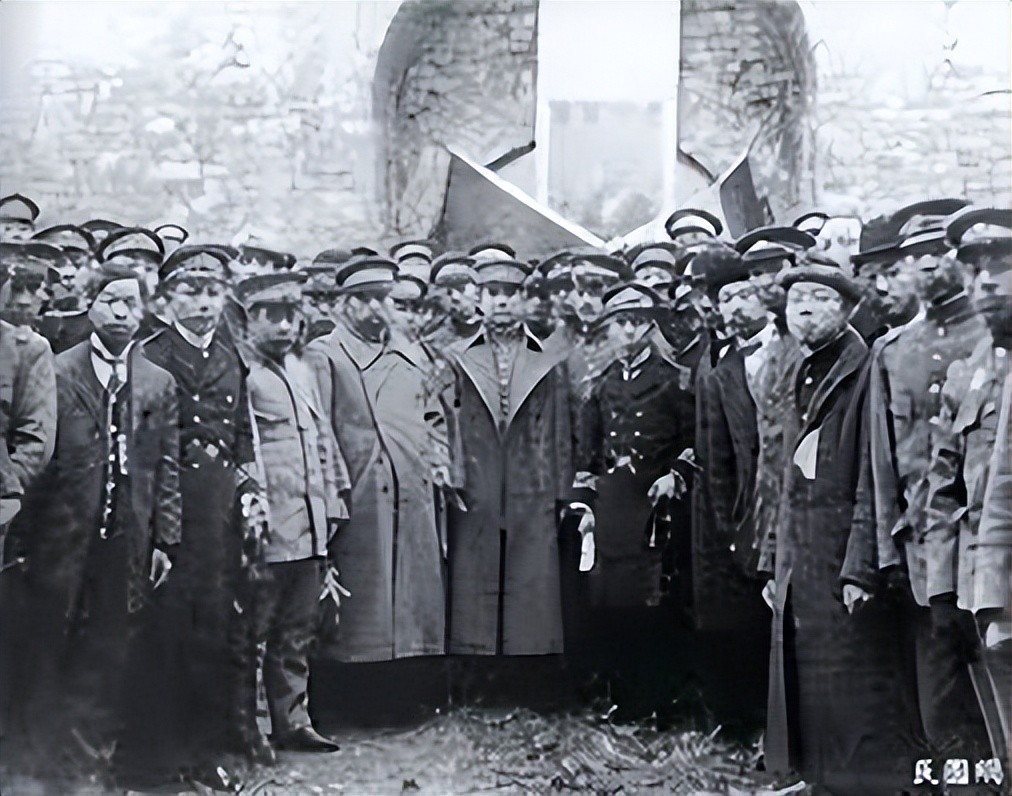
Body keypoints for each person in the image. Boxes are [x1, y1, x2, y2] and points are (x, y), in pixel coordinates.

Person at [4, 262, 180, 783]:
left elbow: (166, 465)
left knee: (109, 651)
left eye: (131, 303)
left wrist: (165, 538)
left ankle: (92, 765)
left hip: (125, 541)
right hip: (61, 538)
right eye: (110, 301)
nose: (121, 313)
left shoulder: (158, 382)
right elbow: (36, 454)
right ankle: (42, 767)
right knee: (50, 647)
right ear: (89, 305)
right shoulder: (57, 371)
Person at [763, 265, 913, 795]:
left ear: (848, 309)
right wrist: (774, 559)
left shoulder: (864, 369)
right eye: (796, 298)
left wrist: (859, 567)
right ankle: (819, 780)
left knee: (854, 677)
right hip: (803, 551)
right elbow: (781, 475)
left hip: (841, 547)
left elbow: (873, 474)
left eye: (819, 297)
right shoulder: (797, 369)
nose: (805, 307)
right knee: (812, 676)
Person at [139, 245, 266, 789]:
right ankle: (158, 758)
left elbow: (241, 436)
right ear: (168, 298)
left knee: (214, 629)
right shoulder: (150, 356)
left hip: (217, 512)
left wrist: (250, 491)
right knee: (165, 632)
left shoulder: (231, 357)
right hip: (164, 510)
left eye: (213, 292)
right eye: (191, 292)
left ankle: (206, 753)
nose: (203, 303)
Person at [306, 255, 451, 664]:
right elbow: (319, 431)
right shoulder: (325, 355)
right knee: (364, 610)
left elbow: (434, 416)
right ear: (343, 303)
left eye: (383, 298)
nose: (375, 308)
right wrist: (332, 496)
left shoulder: (412, 353)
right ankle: (360, 681)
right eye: (363, 298)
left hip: (414, 493)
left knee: (414, 603)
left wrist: (438, 461)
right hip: (361, 494)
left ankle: (411, 675)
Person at [571, 283, 697, 720]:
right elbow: (588, 452)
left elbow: (692, 440)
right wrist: (584, 504)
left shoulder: (675, 380)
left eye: (637, 323)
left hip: (656, 506)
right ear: (607, 330)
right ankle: (622, 697)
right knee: (612, 602)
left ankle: (656, 700)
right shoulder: (600, 384)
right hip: (612, 506)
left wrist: (674, 474)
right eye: (620, 324)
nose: (628, 332)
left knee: (654, 604)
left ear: (650, 327)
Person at [237, 271, 348, 755]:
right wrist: (252, 513)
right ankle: (254, 726)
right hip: (268, 528)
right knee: (256, 630)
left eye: (291, 315)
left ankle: (293, 721)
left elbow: (323, 440)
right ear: (250, 319)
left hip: (310, 525)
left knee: (297, 631)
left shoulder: (302, 371)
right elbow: (245, 449)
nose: (285, 326)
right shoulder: (244, 373)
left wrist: (333, 501)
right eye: (273, 316)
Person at [447, 254, 575, 658]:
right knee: (474, 579)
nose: (501, 301)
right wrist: (453, 480)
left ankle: (527, 665)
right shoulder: (455, 357)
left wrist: (559, 490)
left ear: (524, 299)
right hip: (476, 482)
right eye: (492, 292)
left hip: (531, 482)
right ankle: (475, 659)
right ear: (478, 299)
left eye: (511, 293)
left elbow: (560, 430)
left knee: (530, 581)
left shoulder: (549, 359)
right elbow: (445, 424)